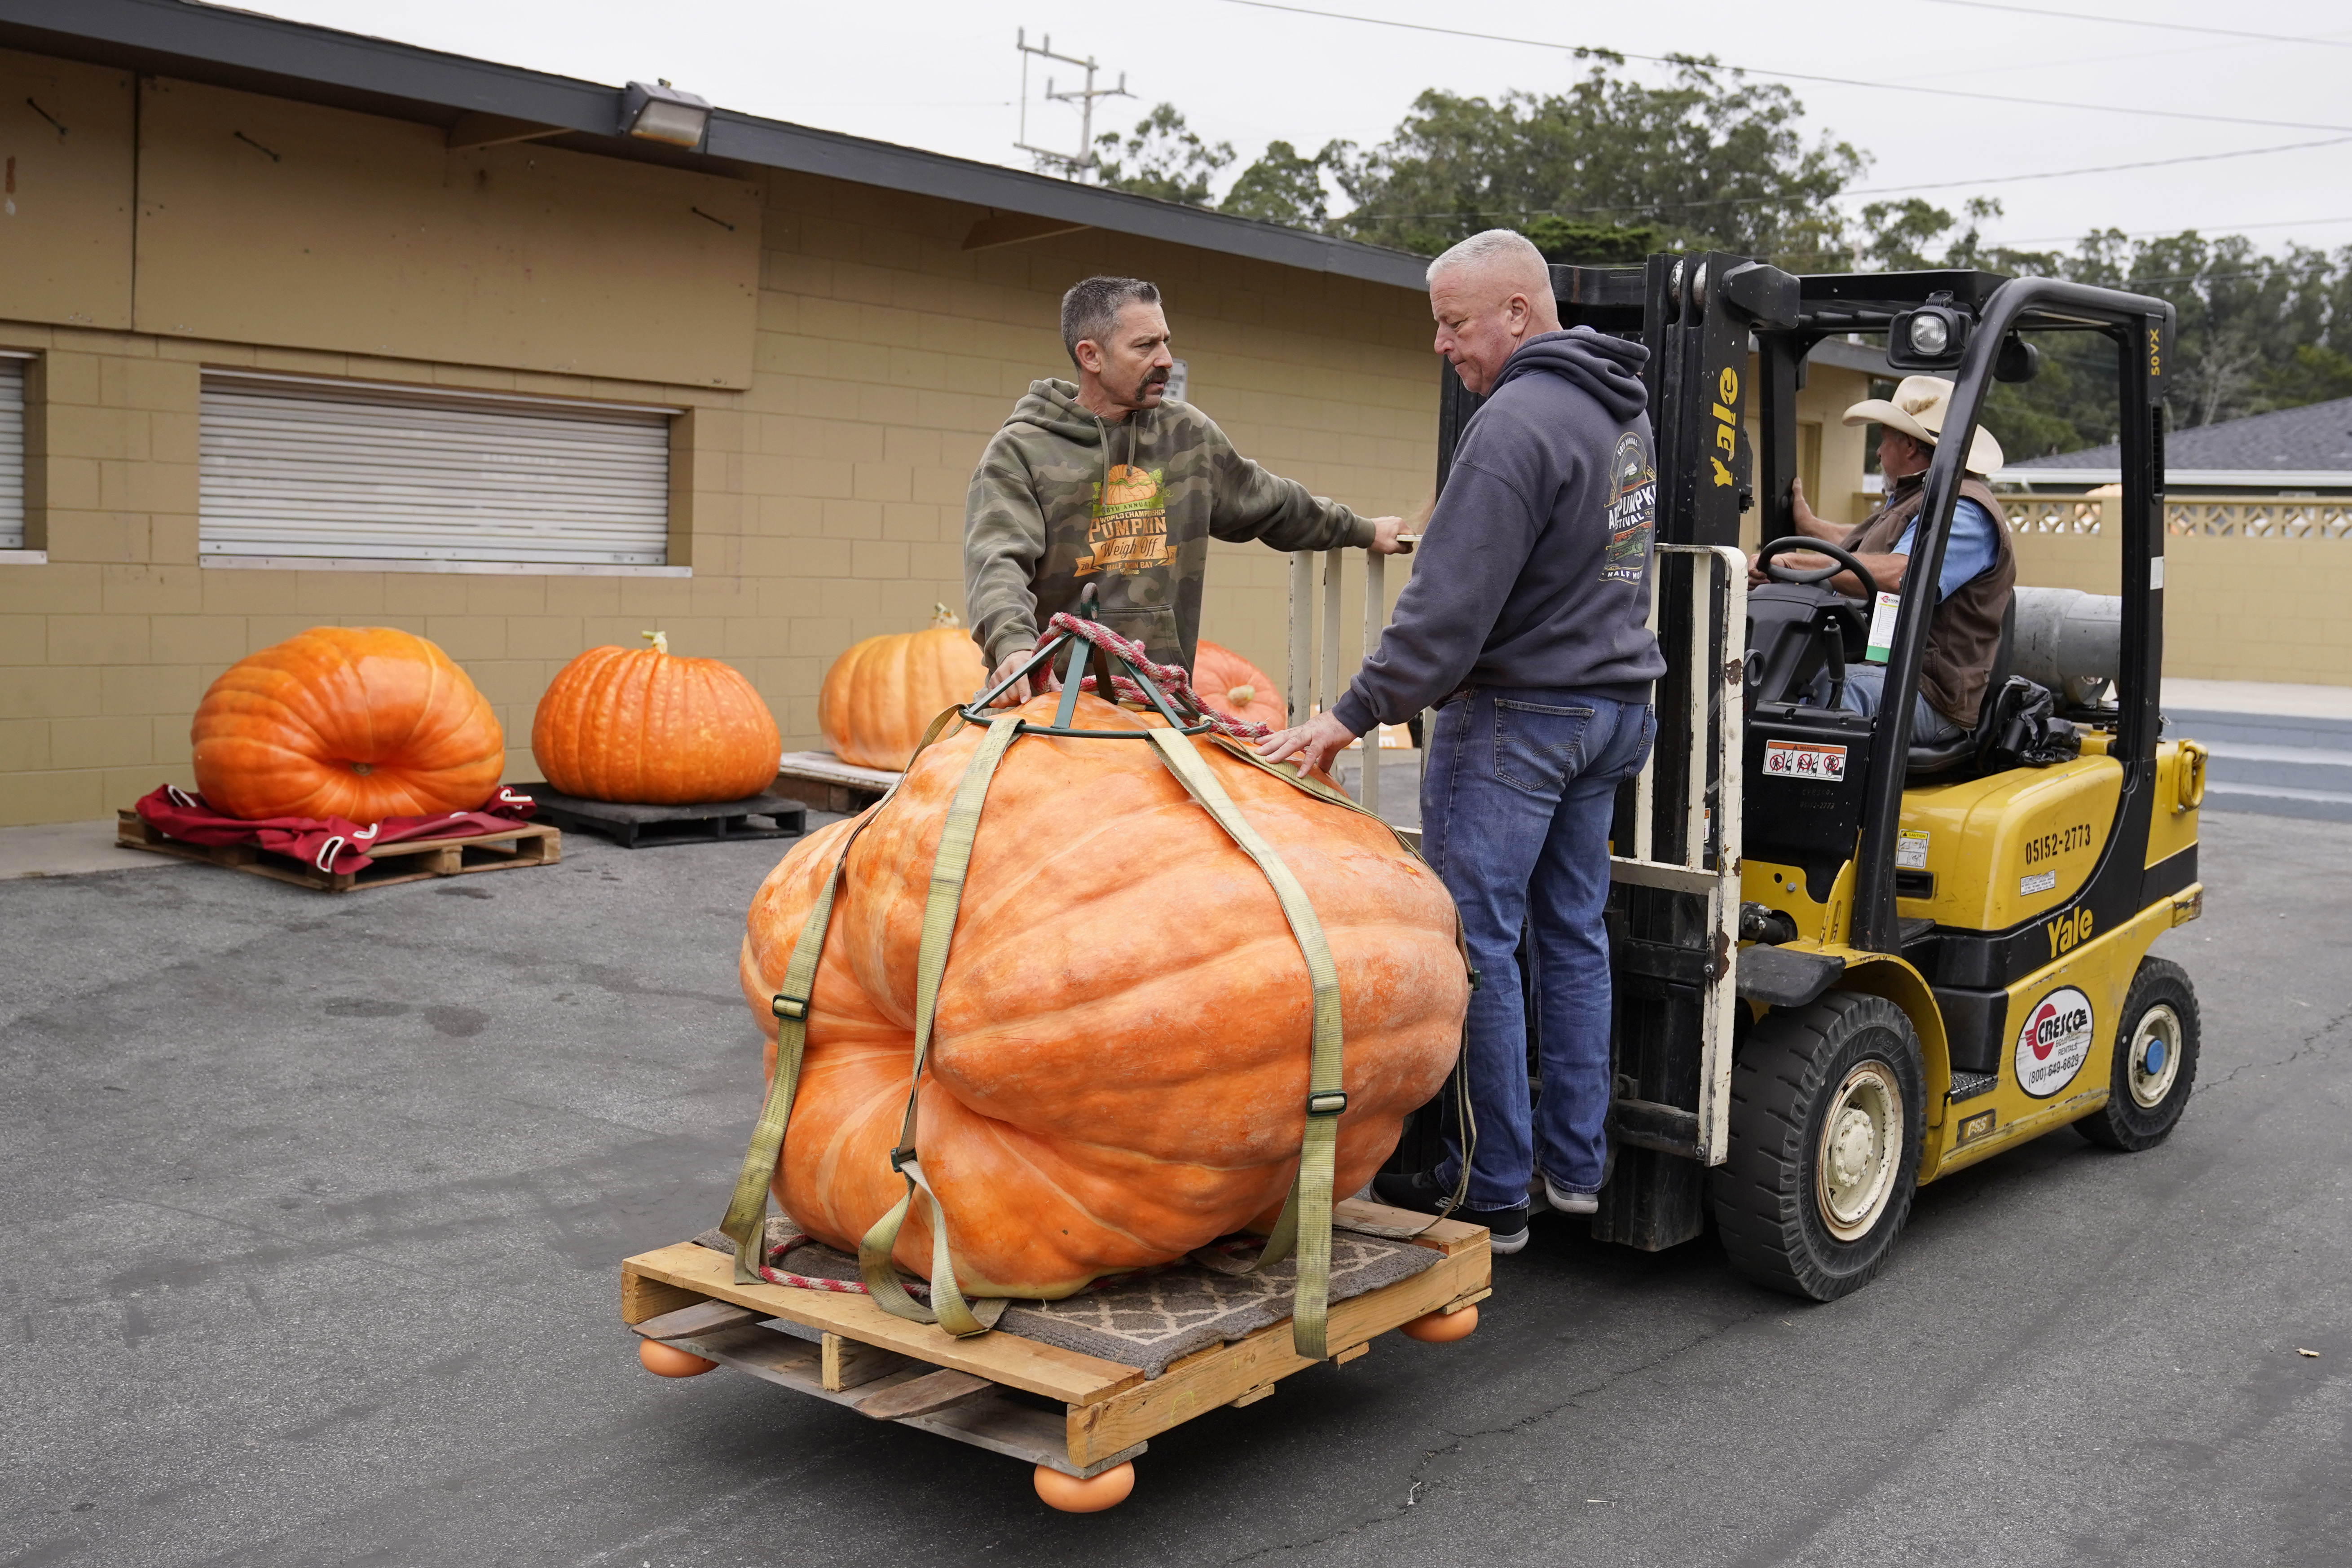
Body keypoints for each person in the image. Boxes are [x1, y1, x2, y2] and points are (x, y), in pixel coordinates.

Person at [1257, 230, 1665, 1254]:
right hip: (1613, 709)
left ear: (1517, 313)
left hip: (1520, 717)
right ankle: (1573, 1168)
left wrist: (1350, 711)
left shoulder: (1512, 422)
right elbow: (1601, 561)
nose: (1441, 344)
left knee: (1472, 944)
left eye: (1452, 322)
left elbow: (1447, 607)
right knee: (1572, 933)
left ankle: (1491, 1187)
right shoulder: (1624, 412)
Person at [964, 275, 1410, 703]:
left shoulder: (1189, 435)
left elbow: (1275, 504)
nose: (1164, 360)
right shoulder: (1021, 450)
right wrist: (1013, 646)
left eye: (1165, 342)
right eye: (1145, 345)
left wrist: (1366, 531)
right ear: (1091, 356)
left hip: (1160, 702)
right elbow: (998, 561)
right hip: (1053, 704)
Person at [1762, 375, 2015, 740]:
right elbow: (1872, 546)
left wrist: (1794, 563)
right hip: (1891, 670)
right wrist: (1810, 528)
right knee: (1776, 670)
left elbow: (1902, 572)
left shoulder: (1965, 511)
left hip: (1930, 694)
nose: (1879, 453)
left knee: (1833, 688)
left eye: (1883, 439)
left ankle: (1784, 796)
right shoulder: (1919, 498)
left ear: (1910, 446)